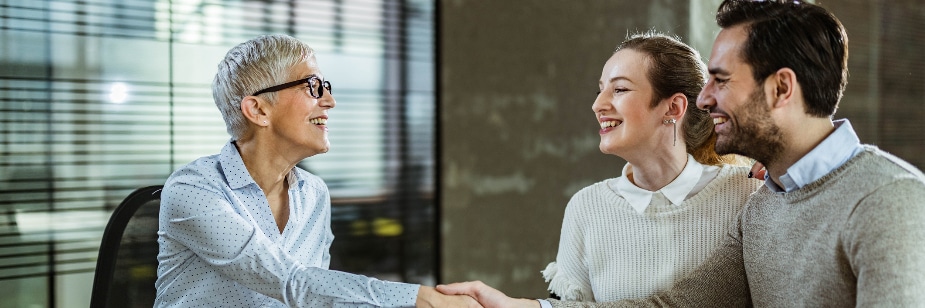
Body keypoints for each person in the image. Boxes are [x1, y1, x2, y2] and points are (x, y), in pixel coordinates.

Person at [436, 0, 925, 307]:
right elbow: (671, 306)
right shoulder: (765, 205)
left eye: (721, 80)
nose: (704, 98)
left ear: (781, 88)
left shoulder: (890, 200)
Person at [154, 34, 478, 307]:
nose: (330, 101)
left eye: (326, 85)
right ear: (258, 109)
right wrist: (421, 300)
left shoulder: (313, 193)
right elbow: (294, 283)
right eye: (312, 86)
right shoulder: (194, 189)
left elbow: (314, 296)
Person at [540, 32, 760, 302]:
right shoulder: (586, 208)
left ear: (673, 108)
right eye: (600, 90)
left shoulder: (746, 192)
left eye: (619, 89)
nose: (598, 104)